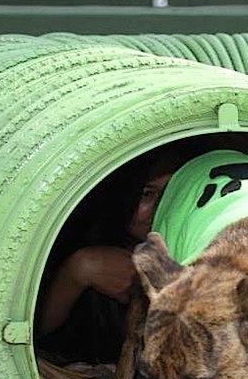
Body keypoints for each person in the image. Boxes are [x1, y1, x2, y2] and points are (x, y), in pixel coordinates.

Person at [35, 151, 184, 364]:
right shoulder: (73, 236)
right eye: (147, 194)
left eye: (175, 190)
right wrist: (79, 270)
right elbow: (26, 334)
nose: (163, 205)